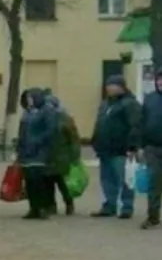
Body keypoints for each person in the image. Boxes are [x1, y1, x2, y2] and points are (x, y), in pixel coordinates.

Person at [91, 75, 141, 219]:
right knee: (107, 179)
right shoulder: (105, 104)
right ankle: (110, 204)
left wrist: (132, 146)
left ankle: (127, 206)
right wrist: (95, 140)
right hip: (104, 148)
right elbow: (99, 123)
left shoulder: (130, 104)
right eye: (108, 85)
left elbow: (135, 126)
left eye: (113, 85)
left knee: (125, 179)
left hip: (121, 149)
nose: (110, 88)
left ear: (121, 87)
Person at [17, 88, 59, 220]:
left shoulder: (47, 111)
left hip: (40, 151)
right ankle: (33, 208)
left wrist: (37, 141)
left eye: (31, 97)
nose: (29, 101)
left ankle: (42, 208)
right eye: (27, 98)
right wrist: (20, 147)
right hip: (26, 152)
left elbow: (51, 130)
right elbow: (22, 132)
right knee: (29, 181)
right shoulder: (27, 113)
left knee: (39, 180)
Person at [43, 92, 80, 217]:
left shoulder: (65, 119)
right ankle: (50, 206)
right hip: (47, 156)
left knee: (63, 183)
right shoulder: (43, 118)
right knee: (47, 183)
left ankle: (69, 204)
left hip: (62, 156)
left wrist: (75, 156)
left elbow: (73, 139)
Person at [141, 74, 162, 229]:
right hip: (153, 147)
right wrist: (141, 145)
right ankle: (153, 216)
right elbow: (141, 122)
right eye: (159, 79)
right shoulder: (149, 99)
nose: (161, 82)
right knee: (154, 182)